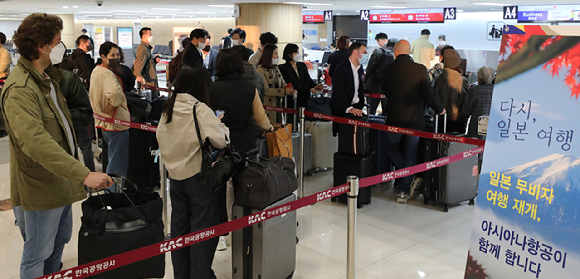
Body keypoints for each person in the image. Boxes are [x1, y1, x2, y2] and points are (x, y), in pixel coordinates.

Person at [3, 13, 112, 279]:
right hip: (42, 187)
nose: (61, 47)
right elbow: (35, 142)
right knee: (37, 253)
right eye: (56, 41)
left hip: (61, 179)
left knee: (58, 244)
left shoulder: (47, 78)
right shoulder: (21, 88)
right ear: (42, 46)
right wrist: (84, 173)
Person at [157, 63, 229, 279]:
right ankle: (200, 275)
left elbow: (160, 136)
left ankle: (182, 274)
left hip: (175, 178)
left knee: (179, 231)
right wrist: (221, 126)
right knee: (202, 232)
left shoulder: (168, 106)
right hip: (199, 177)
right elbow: (220, 141)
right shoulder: (199, 108)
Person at [381, 40, 445, 203]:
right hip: (415, 120)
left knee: (389, 144)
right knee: (411, 152)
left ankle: (405, 173)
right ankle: (404, 189)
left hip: (394, 118)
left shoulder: (388, 70)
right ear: (409, 52)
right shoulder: (420, 69)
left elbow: (386, 92)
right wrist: (440, 109)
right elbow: (428, 94)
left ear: (395, 52)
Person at [90, 42, 131, 190]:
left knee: (112, 159)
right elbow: (114, 94)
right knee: (117, 164)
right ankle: (114, 194)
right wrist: (110, 107)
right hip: (116, 124)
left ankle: (111, 191)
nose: (116, 58)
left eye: (118, 55)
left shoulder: (96, 71)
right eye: (112, 55)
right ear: (103, 57)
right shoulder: (107, 73)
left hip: (105, 124)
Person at [53, 42, 96, 172]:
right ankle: (90, 172)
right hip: (74, 120)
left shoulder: (52, 77)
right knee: (85, 147)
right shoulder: (69, 77)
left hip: (61, 123)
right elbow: (84, 106)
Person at [330, 42, 367, 136]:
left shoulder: (360, 68)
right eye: (364, 52)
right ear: (355, 52)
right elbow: (338, 91)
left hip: (357, 109)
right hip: (344, 110)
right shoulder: (341, 68)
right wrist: (349, 108)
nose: (366, 55)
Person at [279, 43, 323, 116]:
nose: (298, 54)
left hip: (305, 100)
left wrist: (316, 86)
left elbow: (308, 80)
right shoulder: (284, 69)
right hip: (293, 101)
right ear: (290, 55)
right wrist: (309, 89)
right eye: (296, 52)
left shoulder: (301, 65)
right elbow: (294, 85)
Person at [256, 44, 295, 123]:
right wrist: (283, 91)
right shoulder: (260, 69)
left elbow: (283, 83)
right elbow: (266, 90)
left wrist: (290, 90)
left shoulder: (275, 68)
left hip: (277, 104)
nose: (277, 57)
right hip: (267, 105)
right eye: (275, 54)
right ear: (269, 55)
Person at [433, 48, 469, 133]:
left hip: (440, 118)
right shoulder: (462, 80)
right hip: (457, 119)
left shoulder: (438, 79)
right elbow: (466, 101)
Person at [364, 32, 395, 115]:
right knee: (386, 113)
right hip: (388, 89)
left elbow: (370, 69)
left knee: (371, 112)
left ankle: (369, 127)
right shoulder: (396, 55)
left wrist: (365, 82)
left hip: (373, 87)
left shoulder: (377, 52)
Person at [460, 66, 495, 137]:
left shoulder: (474, 90)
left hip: (476, 130)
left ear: (479, 77)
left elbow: (465, 112)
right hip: (493, 128)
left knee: (475, 147)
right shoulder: (498, 91)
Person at [133, 27, 159, 98]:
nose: (151, 36)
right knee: (151, 99)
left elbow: (147, 62)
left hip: (150, 78)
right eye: (150, 34)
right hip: (148, 80)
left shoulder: (146, 48)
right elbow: (139, 62)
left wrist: (154, 61)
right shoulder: (142, 48)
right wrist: (138, 75)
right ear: (144, 36)